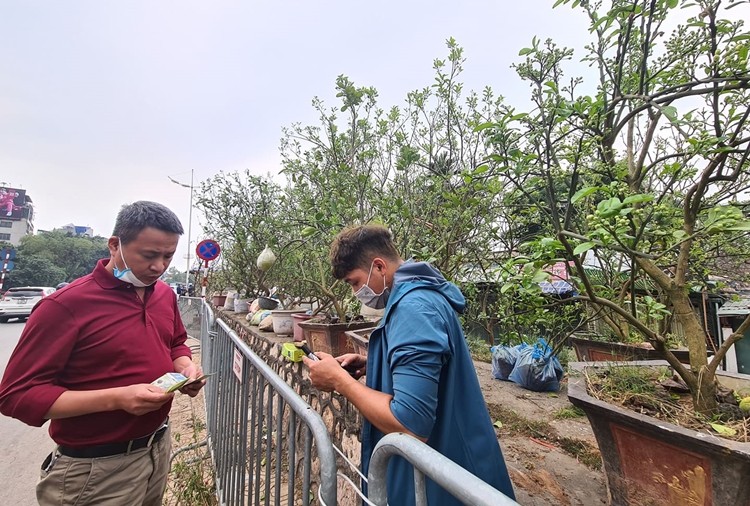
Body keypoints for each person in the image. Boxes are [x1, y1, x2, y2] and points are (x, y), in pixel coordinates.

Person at [0, 200, 205, 506]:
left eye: (168, 256)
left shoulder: (163, 294)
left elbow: (175, 341)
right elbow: (16, 396)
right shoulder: (66, 305)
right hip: (96, 472)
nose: (159, 267)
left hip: (156, 451)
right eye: (149, 255)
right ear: (114, 245)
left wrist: (185, 367)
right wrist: (117, 398)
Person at [303, 224, 516, 505]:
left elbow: (410, 423)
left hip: (445, 485)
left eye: (355, 282)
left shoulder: (413, 309)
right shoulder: (418, 296)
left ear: (378, 266)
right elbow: (431, 365)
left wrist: (341, 382)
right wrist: (373, 363)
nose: (356, 292)